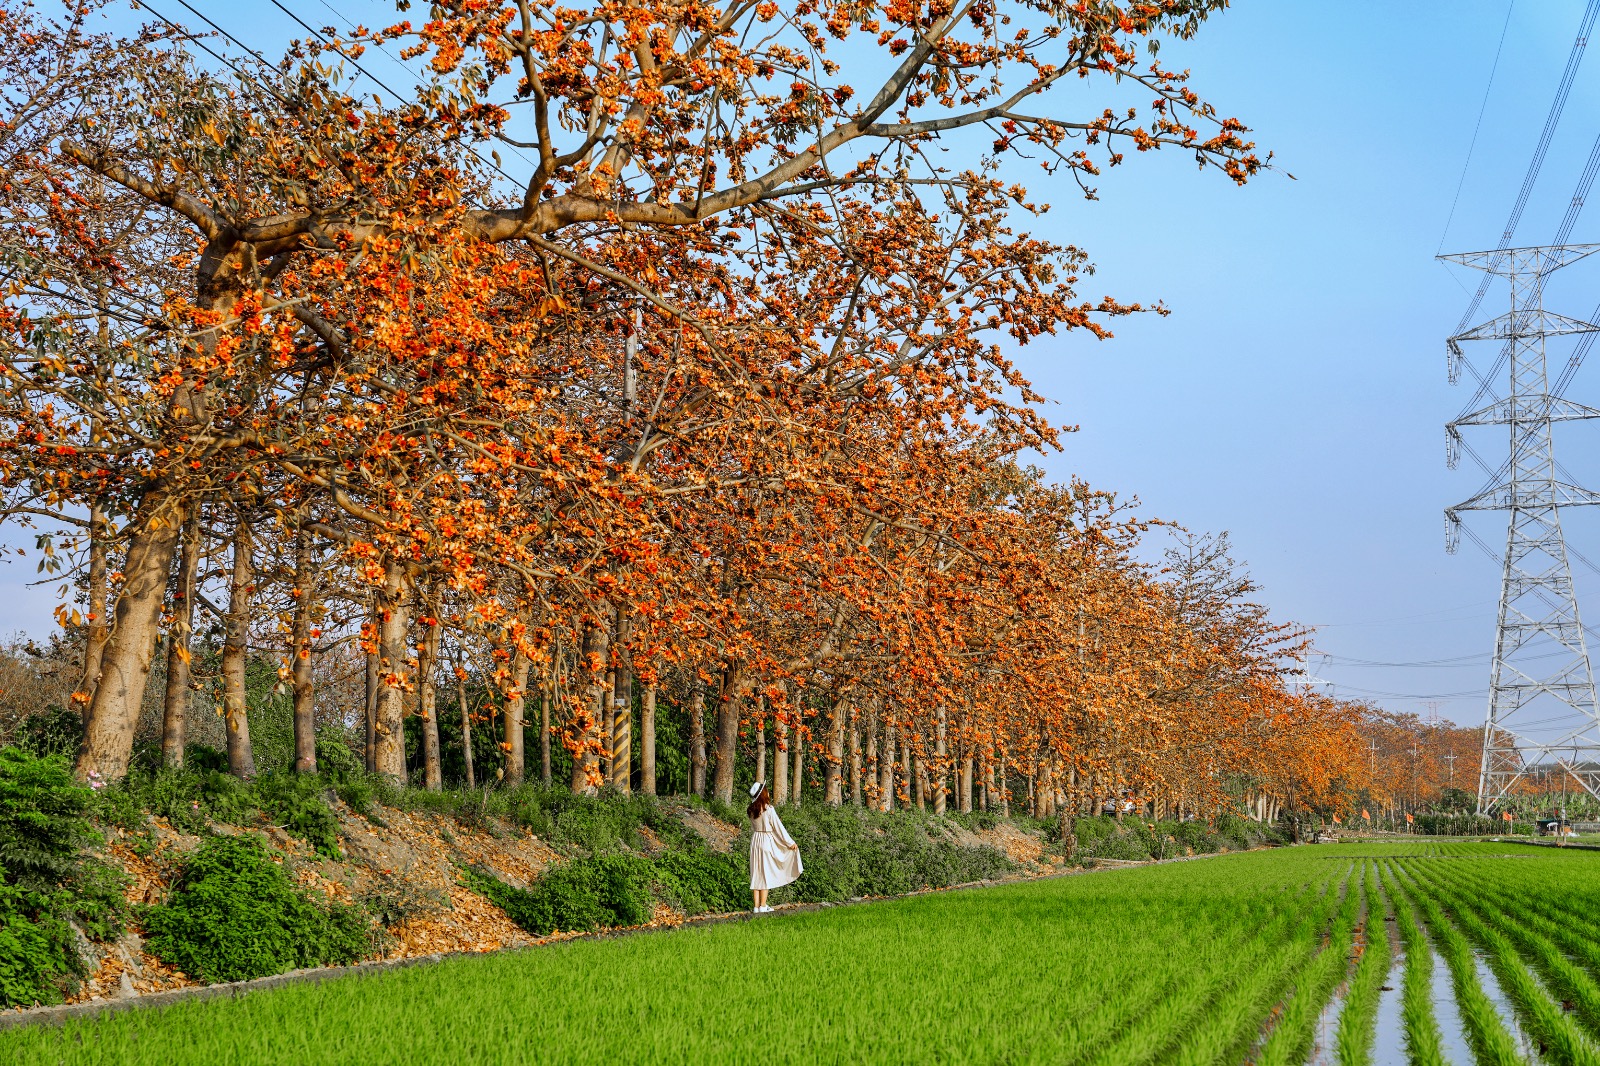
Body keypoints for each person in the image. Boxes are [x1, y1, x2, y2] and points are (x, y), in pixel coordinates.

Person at [747, 781, 801, 913]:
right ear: (763, 794)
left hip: (755, 841)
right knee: (765, 873)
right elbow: (779, 828)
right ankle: (763, 905)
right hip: (766, 840)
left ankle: (756, 906)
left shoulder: (751, 809)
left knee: (756, 873)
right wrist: (790, 842)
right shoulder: (768, 809)